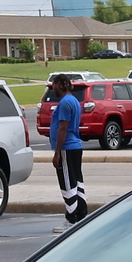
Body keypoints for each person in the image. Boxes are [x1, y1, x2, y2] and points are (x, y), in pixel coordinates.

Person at [47, 73, 87, 224]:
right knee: (77, 181)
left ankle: (71, 219)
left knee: (67, 183)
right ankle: (82, 215)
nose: (53, 88)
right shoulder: (74, 101)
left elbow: (63, 128)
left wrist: (57, 152)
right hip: (76, 146)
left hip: (66, 147)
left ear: (60, 84)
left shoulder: (64, 103)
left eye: (54, 85)